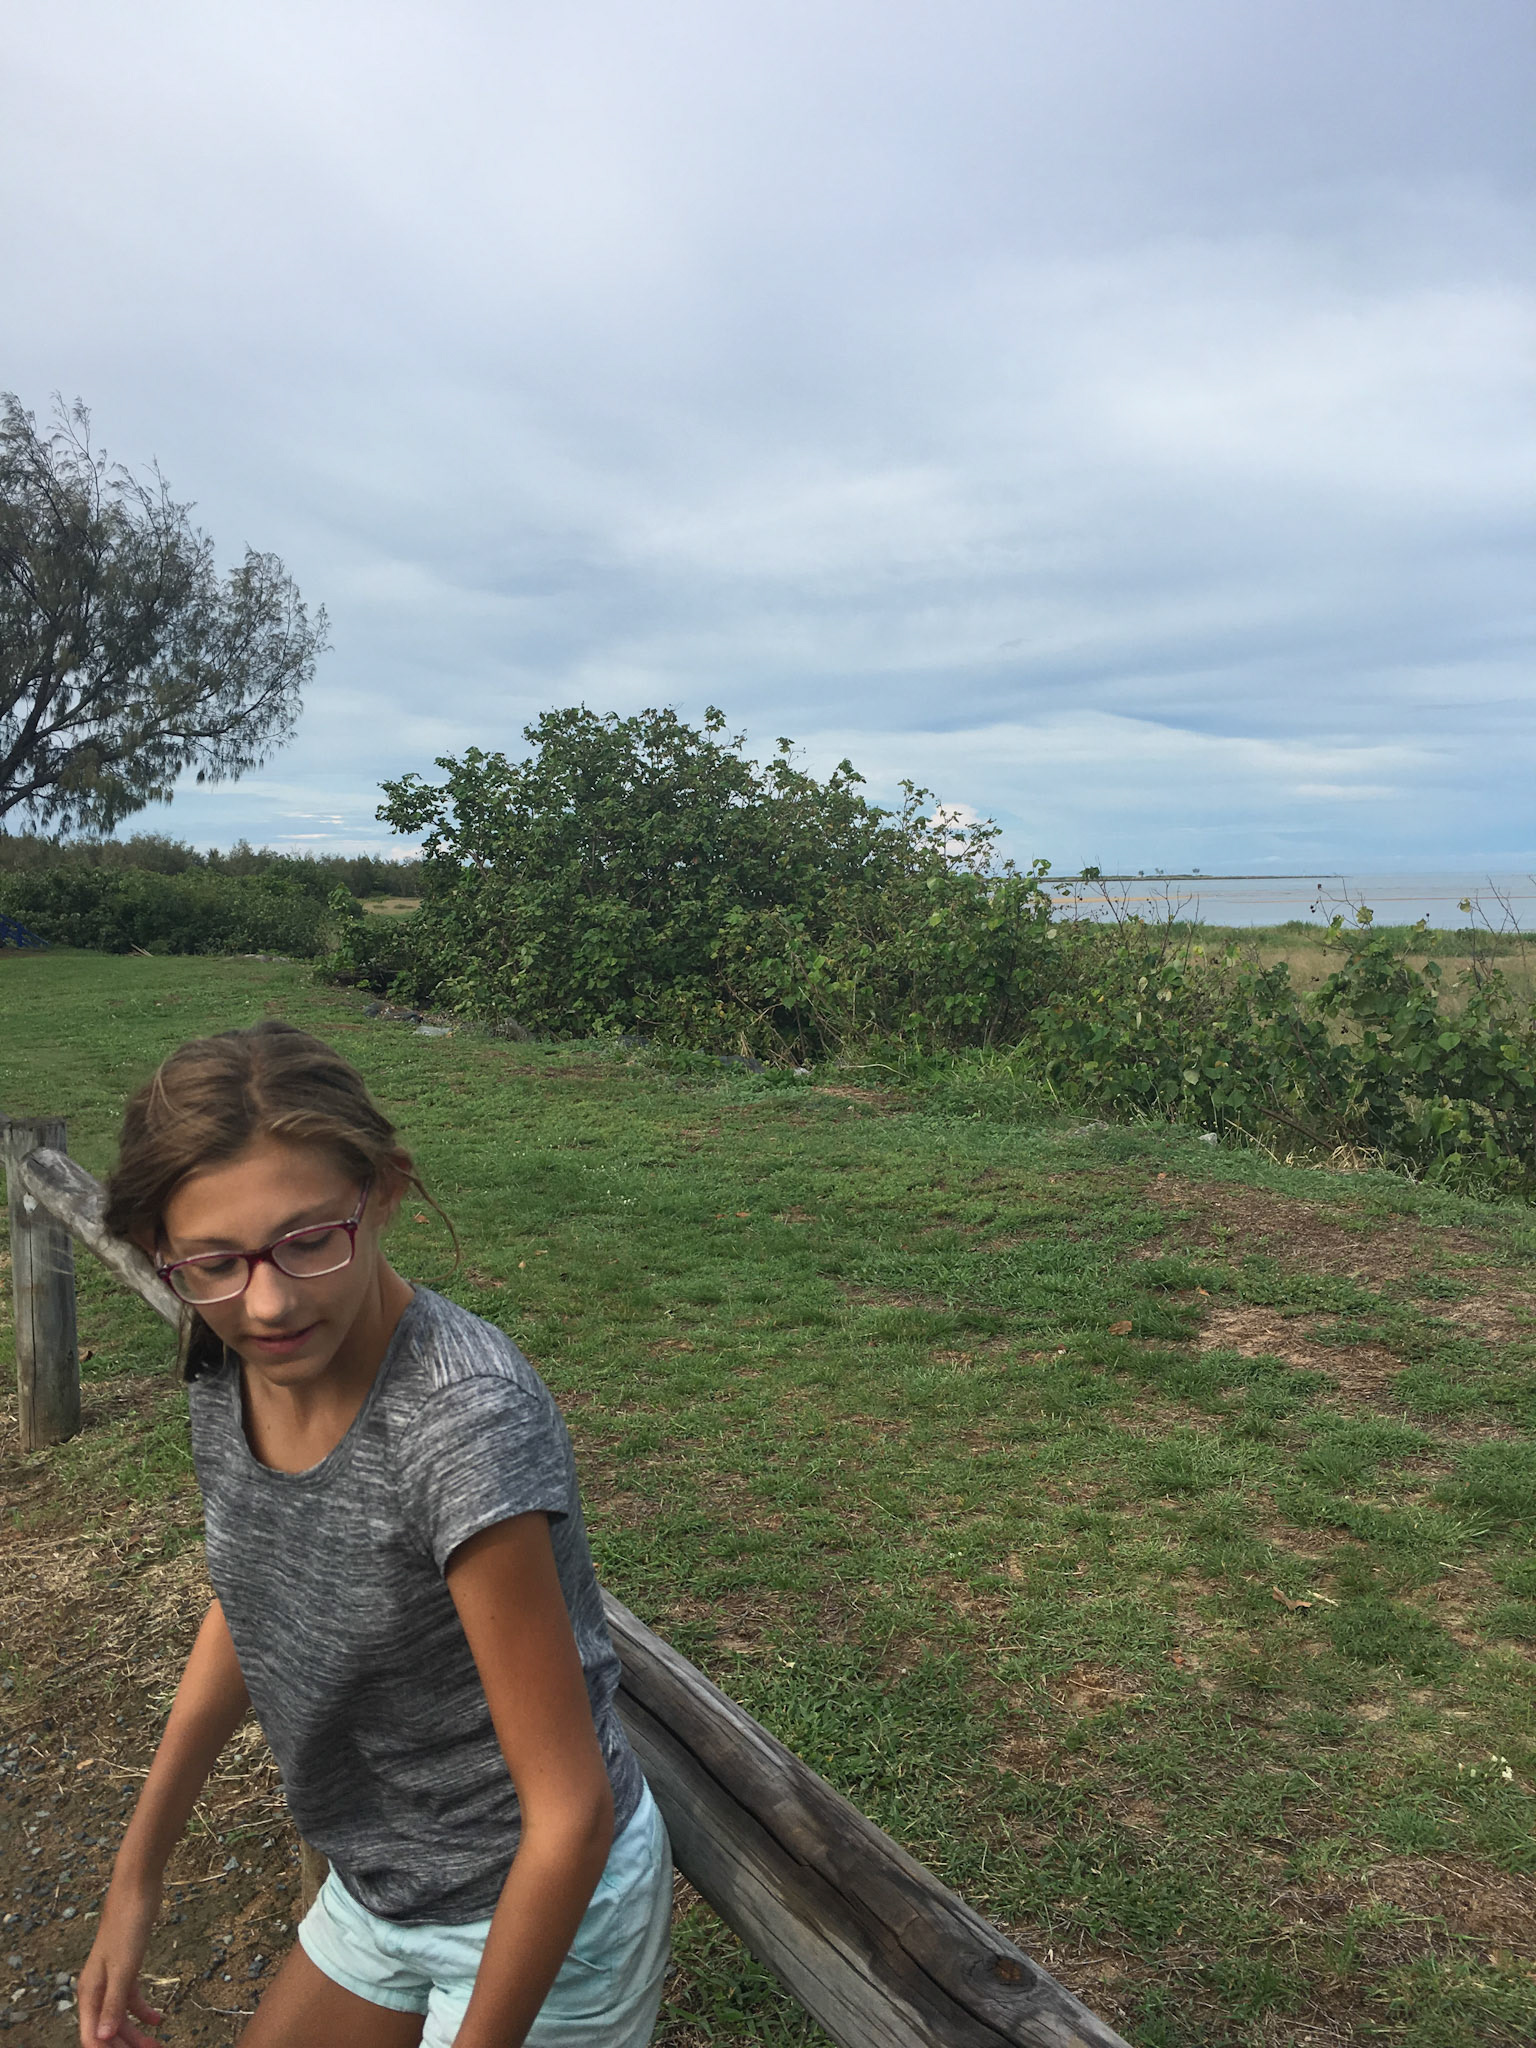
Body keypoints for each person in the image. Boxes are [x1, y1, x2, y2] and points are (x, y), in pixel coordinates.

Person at [77, 1020, 671, 2048]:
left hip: (536, 1905)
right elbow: (257, 1590)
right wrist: (137, 1875)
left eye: (310, 1240)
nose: (268, 1303)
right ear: (158, 1250)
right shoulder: (226, 1357)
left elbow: (568, 1815)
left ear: (384, 1191)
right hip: (382, 1886)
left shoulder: (460, 1420)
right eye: (213, 1261)